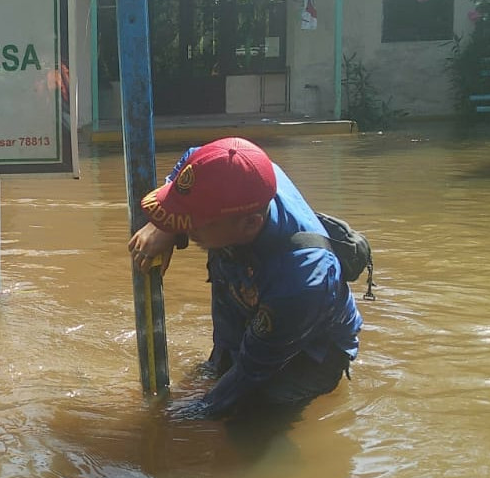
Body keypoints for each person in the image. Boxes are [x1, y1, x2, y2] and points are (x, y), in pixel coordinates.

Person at [127, 136, 361, 420]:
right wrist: (166, 225)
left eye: (194, 224)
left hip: (308, 350)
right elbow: (195, 157)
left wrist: (189, 416)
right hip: (243, 281)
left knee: (249, 418)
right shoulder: (234, 168)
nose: (187, 228)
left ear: (250, 223)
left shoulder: (301, 280)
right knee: (220, 366)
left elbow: (253, 370)